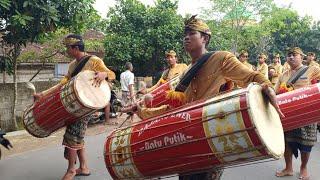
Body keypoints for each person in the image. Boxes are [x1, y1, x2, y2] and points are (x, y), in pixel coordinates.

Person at [124, 15, 283, 180]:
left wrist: (268, 86)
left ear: (205, 38)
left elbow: (250, 76)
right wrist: (141, 111)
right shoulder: (185, 73)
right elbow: (174, 110)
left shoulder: (221, 59)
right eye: (185, 33)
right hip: (186, 139)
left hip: (210, 138)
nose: (186, 37)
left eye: (192, 33)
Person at [34, 34, 115, 180]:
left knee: (71, 136)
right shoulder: (72, 65)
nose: (66, 50)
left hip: (88, 106)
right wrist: (43, 94)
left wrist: (104, 74)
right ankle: (83, 167)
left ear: (75, 48)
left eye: (68, 48)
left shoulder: (94, 60)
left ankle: (71, 170)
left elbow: (111, 74)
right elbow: (63, 84)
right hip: (74, 106)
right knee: (77, 136)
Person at [275, 47, 320, 180]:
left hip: (307, 112)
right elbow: (275, 91)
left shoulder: (313, 69)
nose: (291, 57)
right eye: (288, 55)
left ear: (302, 57)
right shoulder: (283, 74)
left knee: (306, 143)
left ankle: (303, 168)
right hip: (287, 113)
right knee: (287, 142)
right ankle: (288, 168)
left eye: (294, 55)